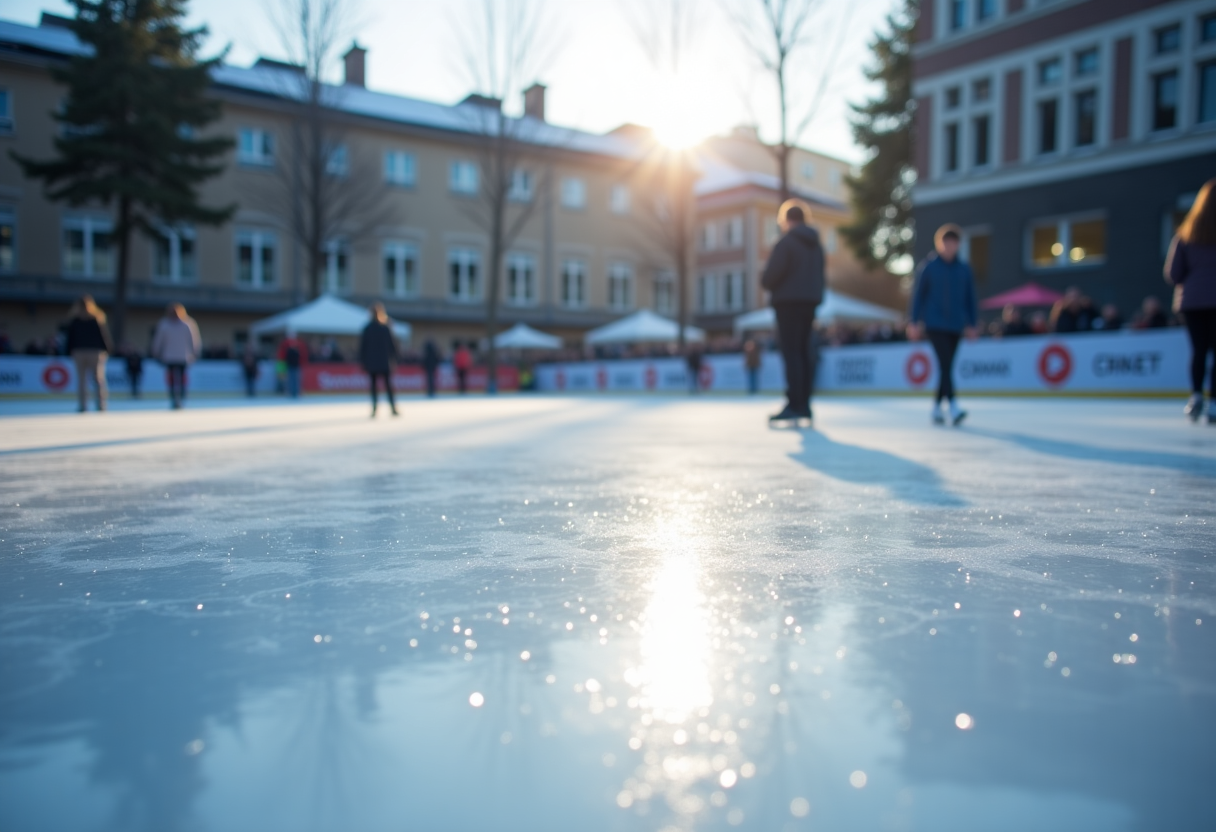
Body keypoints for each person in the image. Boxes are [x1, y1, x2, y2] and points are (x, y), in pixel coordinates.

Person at [907, 224, 979, 426]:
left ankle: (937, 406)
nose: (949, 247)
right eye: (946, 243)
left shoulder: (964, 270)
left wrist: (972, 323)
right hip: (935, 324)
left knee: (946, 367)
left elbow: (970, 298)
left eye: (953, 243)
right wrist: (913, 321)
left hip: (956, 325)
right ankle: (953, 405)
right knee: (945, 364)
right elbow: (918, 296)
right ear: (939, 244)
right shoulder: (929, 267)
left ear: (958, 245)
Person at [760, 199, 825, 423]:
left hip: (788, 303)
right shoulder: (816, 245)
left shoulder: (786, 243)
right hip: (810, 303)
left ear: (786, 220)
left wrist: (767, 279)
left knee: (791, 353)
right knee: (805, 352)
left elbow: (769, 277)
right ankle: (804, 403)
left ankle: (794, 403)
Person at [1165, 177, 1216, 423]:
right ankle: (1214, 401)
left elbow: (1173, 274)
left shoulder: (1186, 235)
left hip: (1193, 301)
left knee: (1199, 350)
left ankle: (1196, 395)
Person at [65, 295, 113, 412]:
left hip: (80, 351)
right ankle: (100, 404)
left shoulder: (76, 320)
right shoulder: (94, 318)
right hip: (93, 351)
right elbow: (103, 336)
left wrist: (68, 350)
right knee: (98, 379)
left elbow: (70, 338)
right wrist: (107, 349)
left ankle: (83, 405)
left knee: (83, 380)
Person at [150, 303, 201, 410]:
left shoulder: (187, 323)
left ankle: (181, 397)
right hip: (170, 356)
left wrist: (195, 352)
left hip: (183, 356)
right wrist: (156, 351)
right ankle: (174, 398)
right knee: (172, 378)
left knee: (181, 378)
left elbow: (194, 340)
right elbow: (158, 340)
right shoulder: (164, 324)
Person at [360, 302, 399, 418]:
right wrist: (394, 359)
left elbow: (363, 347)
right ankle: (392, 408)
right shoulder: (385, 328)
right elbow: (393, 346)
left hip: (373, 362)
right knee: (387, 386)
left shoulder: (368, 328)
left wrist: (363, 361)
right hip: (384, 362)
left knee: (374, 387)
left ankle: (375, 409)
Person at [277, 330, 307, 398]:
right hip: (289, 365)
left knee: (295, 379)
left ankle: (295, 392)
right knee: (289, 379)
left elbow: (302, 356)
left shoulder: (299, 344)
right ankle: (290, 392)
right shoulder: (285, 344)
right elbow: (282, 355)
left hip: (295, 365)